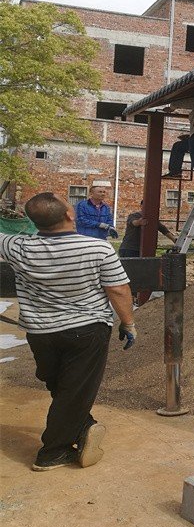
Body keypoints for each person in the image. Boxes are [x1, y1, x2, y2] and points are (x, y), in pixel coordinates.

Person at [0, 192, 137, 471]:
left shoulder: (17, 246)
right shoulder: (98, 249)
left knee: (61, 385)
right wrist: (128, 323)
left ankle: (83, 427)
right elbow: (119, 290)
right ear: (69, 215)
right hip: (87, 331)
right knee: (74, 389)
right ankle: (53, 451)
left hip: (40, 333)